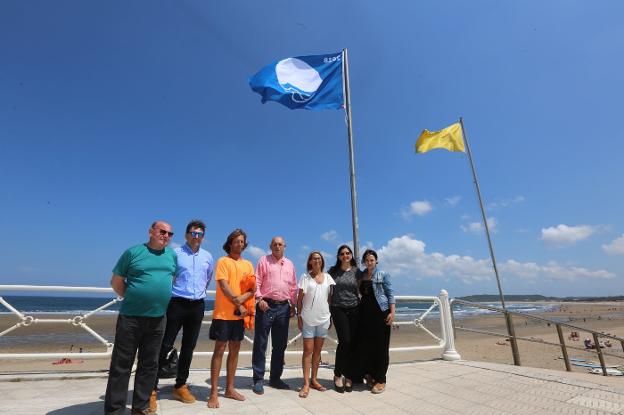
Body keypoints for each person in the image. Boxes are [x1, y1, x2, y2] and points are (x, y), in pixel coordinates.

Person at [104, 221, 177, 415]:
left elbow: (171, 279)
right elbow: (116, 282)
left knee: (149, 364)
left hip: (158, 318)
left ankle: (141, 406)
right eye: (162, 232)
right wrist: (136, 297)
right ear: (151, 232)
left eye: (170, 234)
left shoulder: (171, 255)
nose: (166, 236)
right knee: (121, 366)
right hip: (131, 318)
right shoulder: (133, 253)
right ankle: (114, 410)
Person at [153, 220, 214, 404]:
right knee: (165, 345)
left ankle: (180, 386)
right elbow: (169, 277)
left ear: (203, 237)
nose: (197, 237)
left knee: (189, 347)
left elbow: (207, 278)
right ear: (187, 235)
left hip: (197, 306)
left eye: (200, 234)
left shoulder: (208, 256)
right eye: (193, 234)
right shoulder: (175, 254)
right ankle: (151, 388)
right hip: (176, 304)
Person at [207, 229, 255, 409]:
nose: (239, 244)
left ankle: (229, 388)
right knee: (219, 349)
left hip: (240, 315)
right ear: (230, 243)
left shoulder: (249, 264)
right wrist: (238, 302)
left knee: (235, 350)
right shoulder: (222, 261)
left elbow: (252, 289)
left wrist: (243, 305)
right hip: (223, 314)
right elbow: (224, 286)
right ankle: (213, 392)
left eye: (242, 241)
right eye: (236, 241)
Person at [251, 236, 297, 394]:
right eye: (275, 244)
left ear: (285, 246)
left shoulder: (290, 264)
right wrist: (259, 299)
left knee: (280, 346)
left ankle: (275, 378)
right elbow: (256, 282)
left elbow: (293, 287)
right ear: (270, 246)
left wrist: (293, 305)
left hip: (284, 308)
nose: (277, 246)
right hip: (266, 306)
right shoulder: (263, 260)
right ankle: (258, 379)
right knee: (260, 344)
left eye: (280, 244)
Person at [297, 251, 335, 398]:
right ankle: (306, 383)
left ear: (322, 261)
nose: (317, 260)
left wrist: (330, 316)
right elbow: (299, 299)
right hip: (308, 319)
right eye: (314, 258)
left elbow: (329, 299)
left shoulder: (328, 278)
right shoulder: (305, 277)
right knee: (308, 350)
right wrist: (299, 317)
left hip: (324, 318)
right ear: (310, 262)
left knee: (318, 351)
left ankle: (314, 380)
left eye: (319, 258)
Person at [356, 249, 395, 394]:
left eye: (372, 260)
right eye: (367, 260)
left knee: (382, 347)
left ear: (376, 261)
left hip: (381, 314)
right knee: (368, 346)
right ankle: (370, 375)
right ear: (364, 262)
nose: (369, 262)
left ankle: (381, 379)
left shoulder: (383, 274)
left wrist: (392, 312)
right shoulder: (362, 275)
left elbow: (390, 293)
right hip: (365, 315)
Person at [328, 244, 360, 393]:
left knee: (352, 344)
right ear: (338, 256)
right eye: (342, 253)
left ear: (351, 255)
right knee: (345, 341)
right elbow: (327, 292)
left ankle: (349, 376)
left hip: (355, 309)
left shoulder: (357, 272)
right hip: (338, 308)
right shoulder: (333, 272)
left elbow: (363, 290)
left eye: (348, 253)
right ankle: (337, 375)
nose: (345, 255)